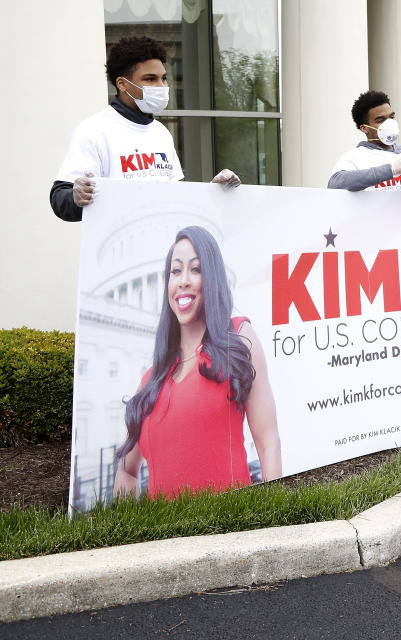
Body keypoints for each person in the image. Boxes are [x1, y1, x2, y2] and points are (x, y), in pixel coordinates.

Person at [114, 226, 281, 499]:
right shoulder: (149, 381)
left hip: (231, 529)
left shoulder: (238, 339)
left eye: (196, 269)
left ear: (213, 278)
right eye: (175, 271)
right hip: (167, 538)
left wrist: (274, 521)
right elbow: (127, 471)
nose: (183, 281)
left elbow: (268, 443)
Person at [50, 36, 241, 222]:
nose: (161, 86)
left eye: (164, 78)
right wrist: (77, 197)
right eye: (150, 79)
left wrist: (213, 193)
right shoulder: (93, 131)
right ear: (122, 84)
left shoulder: (160, 132)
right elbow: (59, 199)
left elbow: (177, 198)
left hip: (162, 249)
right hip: (115, 248)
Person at [327, 90, 401, 192]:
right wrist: (390, 170)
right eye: (380, 120)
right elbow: (335, 183)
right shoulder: (354, 157)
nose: (390, 123)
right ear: (364, 128)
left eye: (391, 117)